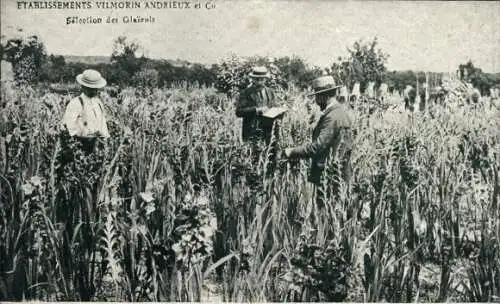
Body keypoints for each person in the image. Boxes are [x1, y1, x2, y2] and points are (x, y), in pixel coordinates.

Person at [283, 76, 354, 209]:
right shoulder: (339, 112)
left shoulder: (332, 116)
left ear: (323, 97)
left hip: (330, 175)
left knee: (326, 213)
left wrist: (291, 151)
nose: (316, 101)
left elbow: (317, 146)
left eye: (317, 97)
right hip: (336, 172)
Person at [236, 66, 280, 175]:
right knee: (253, 159)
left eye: (262, 79)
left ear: (266, 79)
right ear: (253, 79)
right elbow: (239, 112)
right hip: (252, 131)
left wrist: (279, 112)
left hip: (269, 131)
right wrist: (256, 110)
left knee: (269, 157)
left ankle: (268, 180)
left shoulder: (270, 92)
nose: (260, 81)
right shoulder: (245, 93)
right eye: (257, 79)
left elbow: (275, 107)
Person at [62, 69, 110, 154]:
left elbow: (103, 125)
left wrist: (105, 141)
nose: (95, 91)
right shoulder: (75, 103)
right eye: (91, 88)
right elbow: (69, 128)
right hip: (81, 147)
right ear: (83, 87)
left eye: (96, 88)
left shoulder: (98, 103)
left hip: (98, 145)